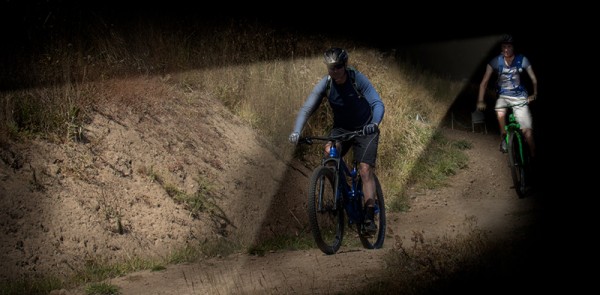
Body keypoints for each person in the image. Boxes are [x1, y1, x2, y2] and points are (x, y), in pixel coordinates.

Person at [288, 47, 385, 234]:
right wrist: (296, 131)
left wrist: (374, 122)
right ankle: (342, 193)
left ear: (345, 65)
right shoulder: (326, 84)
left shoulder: (357, 79)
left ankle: (369, 215)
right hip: (341, 129)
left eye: (338, 66)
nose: (335, 71)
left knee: (365, 170)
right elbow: (307, 108)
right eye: (331, 67)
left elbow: (377, 103)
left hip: (365, 128)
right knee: (328, 152)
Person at [476, 34, 538, 158]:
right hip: (503, 95)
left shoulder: (522, 60)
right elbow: (484, 83)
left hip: (520, 96)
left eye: (509, 47)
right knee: (500, 112)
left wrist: (534, 93)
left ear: (513, 48)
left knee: (528, 134)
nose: (506, 49)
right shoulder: (495, 61)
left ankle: (533, 156)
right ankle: (504, 137)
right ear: (501, 47)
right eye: (504, 46)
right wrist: (480, 100)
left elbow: (534, 79)